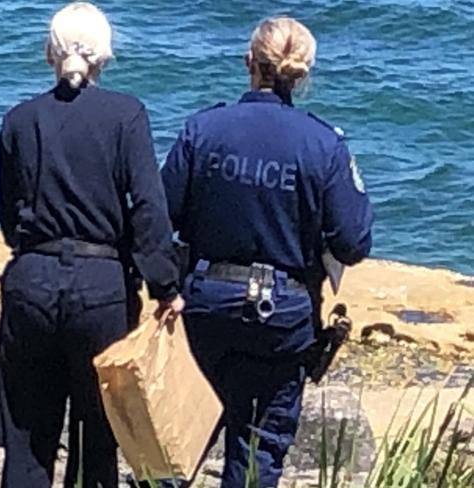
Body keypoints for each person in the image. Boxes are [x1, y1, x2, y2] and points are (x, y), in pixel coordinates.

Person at [161, 17, 374, 488]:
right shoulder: (324, 145)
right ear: (302, 74)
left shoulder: (203, 129)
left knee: (177, 440)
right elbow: (353, 242)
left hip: (204, 307)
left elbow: (161, 217)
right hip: (281, 316)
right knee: (258, 450)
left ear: (248, 64)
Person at [0, 3, 184, 487]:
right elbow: (148, 208)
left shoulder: (18, 120)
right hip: (101, 287)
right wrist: (165, 286)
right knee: (99, 437)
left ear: (51, 53)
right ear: (103, 55)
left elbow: (9, 217)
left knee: (28, 438)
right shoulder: (126, 115)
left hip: (32, 280)